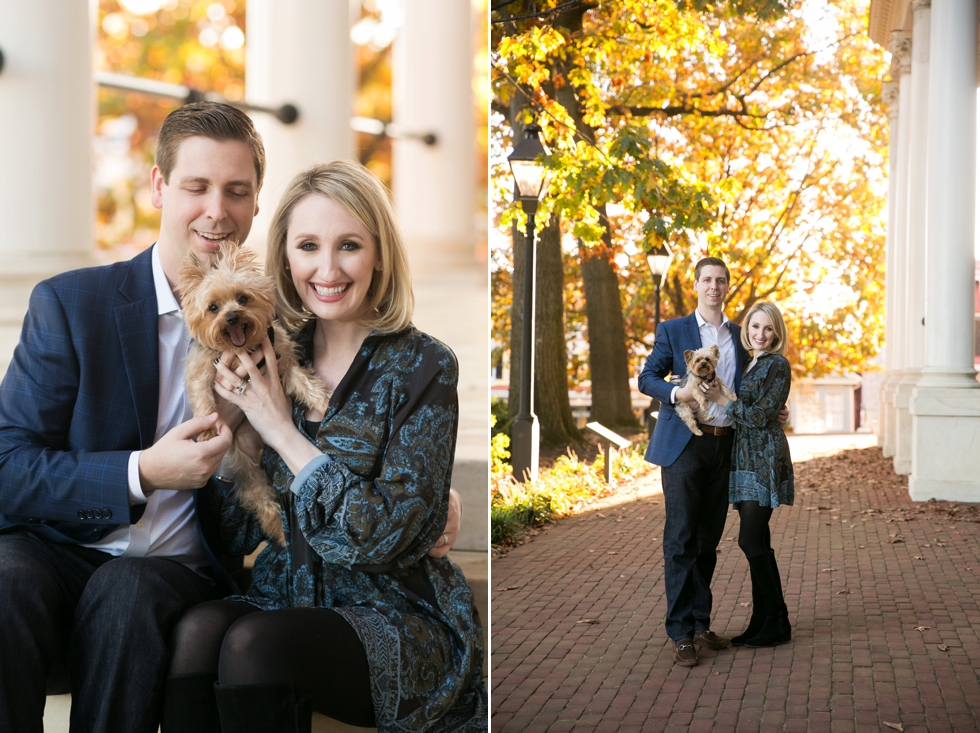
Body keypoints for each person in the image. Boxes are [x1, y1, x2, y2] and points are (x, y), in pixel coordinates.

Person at [0, 101, 459, 733]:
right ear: (159, 186)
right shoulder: (73, 305)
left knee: (138, 595)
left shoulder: (278, 331)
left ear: (255, 203)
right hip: (68, 557)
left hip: (182, 576)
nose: (217, 211)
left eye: (237, 192)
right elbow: (7, 467)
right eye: (197, 187)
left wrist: (433, 493)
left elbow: (363, 450)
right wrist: (141, 472)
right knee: (7, 574)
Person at [161, 161, 487, 733]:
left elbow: (390, 536)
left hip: (394, 611)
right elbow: (235, 536)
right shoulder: (266, 351)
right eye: (308, 246)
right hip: (286, 595)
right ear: (285, 257)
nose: (328, 269)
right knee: (196, 632)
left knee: (254, 645)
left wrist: (282, 431)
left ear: (379, 254)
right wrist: (237, 430)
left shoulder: (423, 365)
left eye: (350, 246)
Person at [638, 257, 747, 667]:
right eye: (707, 280)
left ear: (727, 286)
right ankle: (681, 633)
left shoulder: (738, 335)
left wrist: (774, 411)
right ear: (696, 285)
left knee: (708, 541)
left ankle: (701, 623)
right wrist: (675, 394)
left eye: (721, 280)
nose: (714, 287)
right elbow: (646, 378)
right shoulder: (673, 330)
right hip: (684, 446)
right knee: (681, 538)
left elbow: (745, 388)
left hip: (724, 446)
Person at [703, 300, 793, 648]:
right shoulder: (747, 363)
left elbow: (758, 416)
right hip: (742, 458)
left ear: (776, 333)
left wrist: (726, 403)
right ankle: (762, 620)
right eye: (755, 327)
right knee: (760, 541)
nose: (760, 334)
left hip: (764, 458)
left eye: (768, 328)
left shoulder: (778, 365)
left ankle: (778, 620)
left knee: (750, 540)